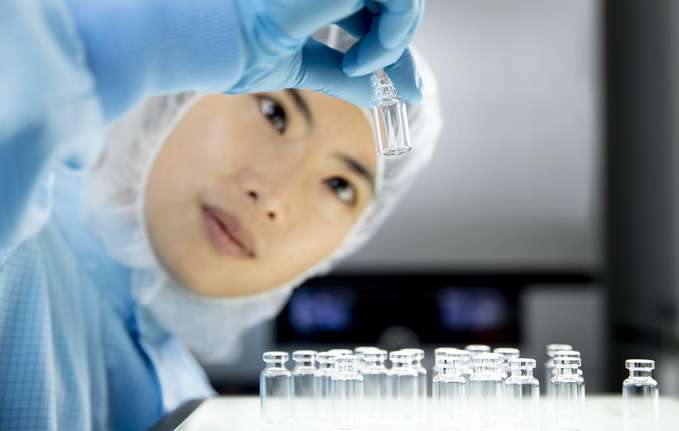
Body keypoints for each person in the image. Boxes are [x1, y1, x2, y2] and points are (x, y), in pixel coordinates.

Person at [0, 1, 438, 429]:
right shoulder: (19, 237)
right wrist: (107, 47)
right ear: (184, 87)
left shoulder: (192, 401)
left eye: (340, 186)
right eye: (275, 114)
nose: (272, 197)